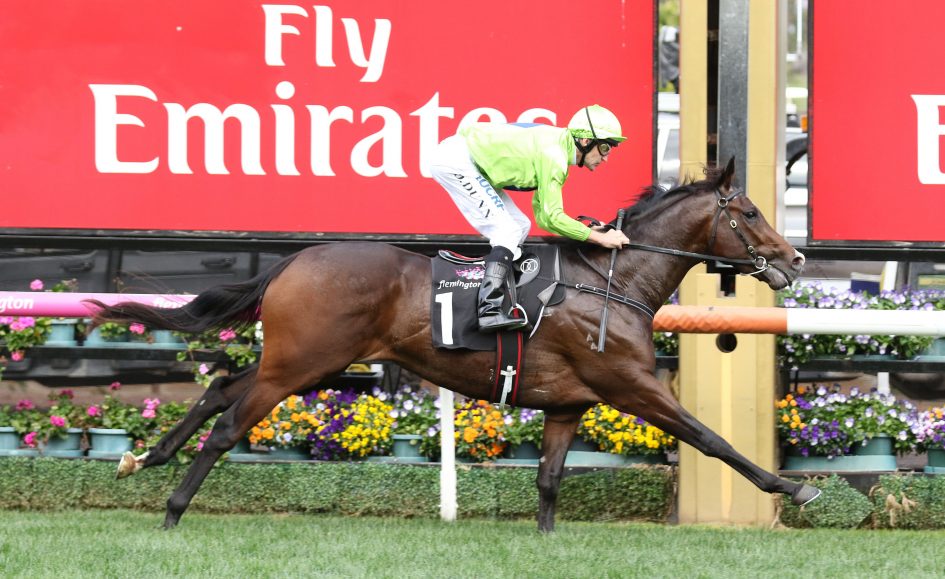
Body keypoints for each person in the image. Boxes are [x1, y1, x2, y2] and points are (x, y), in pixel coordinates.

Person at [430, 104, 631, 332]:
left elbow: (543, 218)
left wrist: (588, 230)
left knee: (520, 225)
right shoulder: (554, 156)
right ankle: (488, 311)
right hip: (457, 161)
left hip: (464, 158)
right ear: (585, 141)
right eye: (605, 147)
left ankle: (503, 295)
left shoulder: (558, 150)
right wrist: (600, 238)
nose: (606, 157)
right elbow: (552, 218)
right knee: (507, 231)